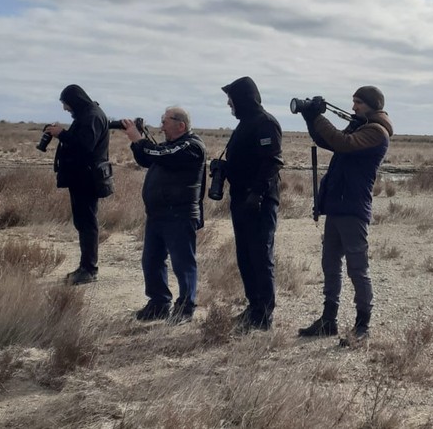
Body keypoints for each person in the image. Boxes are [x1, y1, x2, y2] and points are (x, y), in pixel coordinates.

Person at [297, 86, 393, 345]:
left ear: (373, 105)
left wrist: (318, 116)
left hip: (353, 208)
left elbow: (342, 143)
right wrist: (310, 117)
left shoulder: (376, 132)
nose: (353, 108)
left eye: (358, 103)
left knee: (357, 269)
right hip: (338, 206)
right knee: (330, 265)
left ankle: (363, 325)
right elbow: (327, 140)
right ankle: (329, 320)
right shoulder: (361, 126)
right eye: (353, 102)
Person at [121, 107, 206, 323]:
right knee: (151, 261)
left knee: (183, 263)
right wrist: (136, 142)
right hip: (157, 214)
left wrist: (139, 139)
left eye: (165, 121)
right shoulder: (168, 147)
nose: (161, 126)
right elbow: (147, 158)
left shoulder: (191, 146)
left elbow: (161, 155)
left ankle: (186, 307)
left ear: (181, 125)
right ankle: (158, 303)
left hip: (179, 214)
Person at [220, 76, 283, 331]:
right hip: (241, 199)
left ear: (243, 98)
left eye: (231, 99)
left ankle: (264, 315)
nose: (228, 104)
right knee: (245, 256)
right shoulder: (245, 123)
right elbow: (247, 159)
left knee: (260, 255)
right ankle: (253, 306)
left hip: (259, 201)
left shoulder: (265, 123)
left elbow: (272, 162)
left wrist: (256, 194)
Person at [46, 84, 113, 285]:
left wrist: (61, 134)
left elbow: (85, 146)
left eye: (66, 104)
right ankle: (86, 267)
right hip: (83, 177)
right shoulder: (88, 115)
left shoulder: (92, 116)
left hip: (87, 179)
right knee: (84, 222)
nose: (65, 109)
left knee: (87, 223)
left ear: (74, 101)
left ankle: (89, 269)